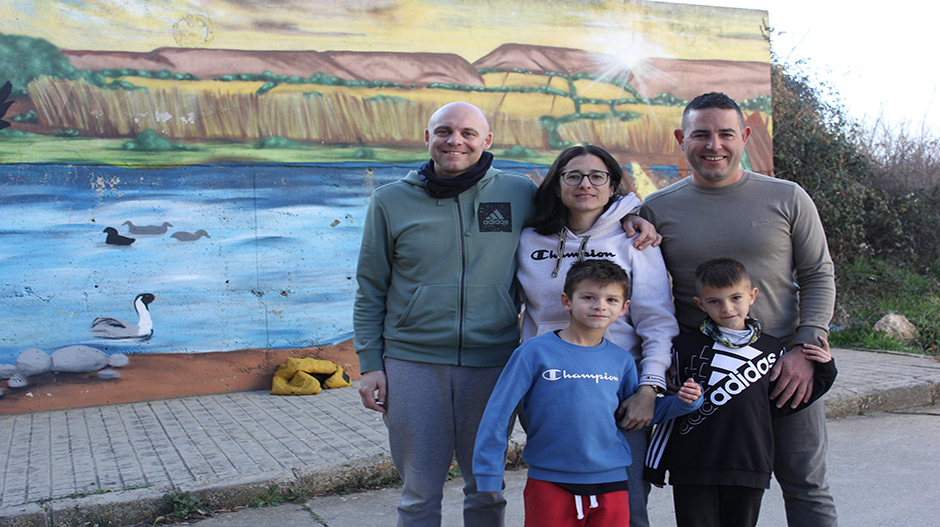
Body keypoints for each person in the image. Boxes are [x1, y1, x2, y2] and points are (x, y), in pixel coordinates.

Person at [354, 101, 658, 526]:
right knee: (419, 492)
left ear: (487, 140)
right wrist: (371, 364)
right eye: (443, 131)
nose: (454, 140)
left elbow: (581, 205)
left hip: (493, 361)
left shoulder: (517, 193)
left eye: (467, 133)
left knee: (486, 488)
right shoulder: (390, 201)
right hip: (412, 362)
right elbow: (370, 288)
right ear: (428, 138)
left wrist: (634, 217)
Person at [640, 92, 838, 526]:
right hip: (704, 380)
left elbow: (819, 275)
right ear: (682, 139)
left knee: (805, 482)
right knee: (706, 492)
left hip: (783, 369)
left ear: (744, 136)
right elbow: (643, 290)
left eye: (726, 133)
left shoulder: (787, 197)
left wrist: (805, 350)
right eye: (701, 134)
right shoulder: (658, 208)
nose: (715, 145)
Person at [473, 259, 703, 527]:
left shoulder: (622, 360)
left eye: (611, 299)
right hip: (550, 480)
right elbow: (497, 415)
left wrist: (684, 403)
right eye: (589, 297)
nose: (599, 306)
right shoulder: (533, 353)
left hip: (612, 482)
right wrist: (489, 473)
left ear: (623, 308)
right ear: (566, 301)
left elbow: (634, 415)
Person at [515, 145, 676, 527]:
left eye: (597, 176)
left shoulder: (634, 241)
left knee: (627, 506)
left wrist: (649, 389)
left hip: (620, 391)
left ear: (612, 186)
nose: (585, 184)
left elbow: (657, 322)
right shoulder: (528, 241)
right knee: (555, 505)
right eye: (573, 175)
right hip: (549, 389)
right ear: (557, 186)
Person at [645, 258, 837, 527]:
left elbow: (783, 404)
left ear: (752, 296)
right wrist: (655, 463)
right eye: (714, 301)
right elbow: (670, 412)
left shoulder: (772, 351)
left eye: (736, 298)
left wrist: (826, 371)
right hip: (691, 467)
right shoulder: (684, 348)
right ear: (700, 304)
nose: (727, 308)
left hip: (748, 466)